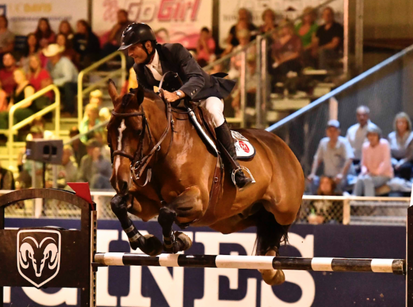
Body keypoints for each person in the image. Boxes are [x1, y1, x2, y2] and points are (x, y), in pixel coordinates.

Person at [120, 22, 252, 189]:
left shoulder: (174, 50)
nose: (129, 53)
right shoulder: (138, 68)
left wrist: (176, 94)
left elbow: (197, 77)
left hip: (204, 94)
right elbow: (146, 97)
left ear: (147, 45)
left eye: (132, 48)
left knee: (214, 113)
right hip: (179, 104)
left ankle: (235, 169)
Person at [307, 119, 353, 193]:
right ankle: (314, 203)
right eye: (330, 130)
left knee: (340, 183)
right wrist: (312, 173)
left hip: (340, 178)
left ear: (338, 132)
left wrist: (341, 174)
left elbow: (349, 159)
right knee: (313, 181)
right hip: (327, 177)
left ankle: (339, 203)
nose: (332, 133)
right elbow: (317, 159)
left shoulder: (344, 143)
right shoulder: (323, 142)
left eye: (334, 130)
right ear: (327, 132)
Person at [353, 124, 393, 196]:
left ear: (378, 136)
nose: (372, 137)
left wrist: (376, 172)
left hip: (383, 174)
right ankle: (354, 201)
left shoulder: (384, 144)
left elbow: (386, 162)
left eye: (374, 135)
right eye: (370, 135)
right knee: (360, 180)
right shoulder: (365, 146)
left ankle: (370, 204)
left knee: (367, 180)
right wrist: (364, 172)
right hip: (369, 174)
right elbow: (363, 164)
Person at [0, 68, 36, 139]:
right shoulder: (15, 88)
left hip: (27, 110)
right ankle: (2, 135)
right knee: (2, 114)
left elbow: (28, 102)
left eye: (18, 75)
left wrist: (14, 108)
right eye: (14, 76)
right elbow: (12, 101)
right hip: (15, 110)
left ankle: (12, 137)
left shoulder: (28, 87)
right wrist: (9, 108)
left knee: (12, 113)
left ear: (23, 75)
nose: (15, 77)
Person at [44, 43, 79, 115]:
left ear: (57, 55)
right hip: (58, 84)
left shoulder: (65, 62)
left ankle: (70, 111)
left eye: (52, 56)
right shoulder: (49, 63)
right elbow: (46, 73)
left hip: (74, 85)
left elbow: (68, 78)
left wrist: (53, 82)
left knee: (67, 86)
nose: (51, 58)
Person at [271, 20, 302, 94]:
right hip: (280, 62)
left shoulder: (295, 38)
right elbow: (274, 53)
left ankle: (290, 84)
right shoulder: (278, 40)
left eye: (286, 27)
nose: (284, 29)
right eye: (282, 27)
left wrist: (284, 59)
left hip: (292, 61)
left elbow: (297, 53)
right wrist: (277, 59)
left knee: (285, 65)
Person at [388, 112, 413, 181]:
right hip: (394, 160)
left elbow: (411, 155)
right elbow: (389, 153)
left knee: (405, 168)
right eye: (399, 122)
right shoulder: (391, 136)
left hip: (408, 160)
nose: (401, 124)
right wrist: (394, 162)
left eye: (403, 122)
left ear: (407, 124)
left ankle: (405, 188)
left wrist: (401, 163)